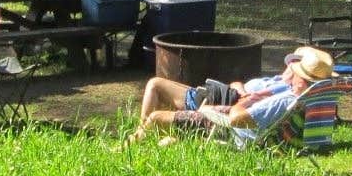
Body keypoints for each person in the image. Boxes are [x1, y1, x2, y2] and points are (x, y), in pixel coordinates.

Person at [132, 46, 335, 142]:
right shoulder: (304, 99)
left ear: (300, 77)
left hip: (224, 127)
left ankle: (130, 147)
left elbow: (237, 119)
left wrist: (238, 104)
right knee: (166, 137)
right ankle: (142, 140)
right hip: (229, 118)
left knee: (156, 117)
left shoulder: (284, 100)